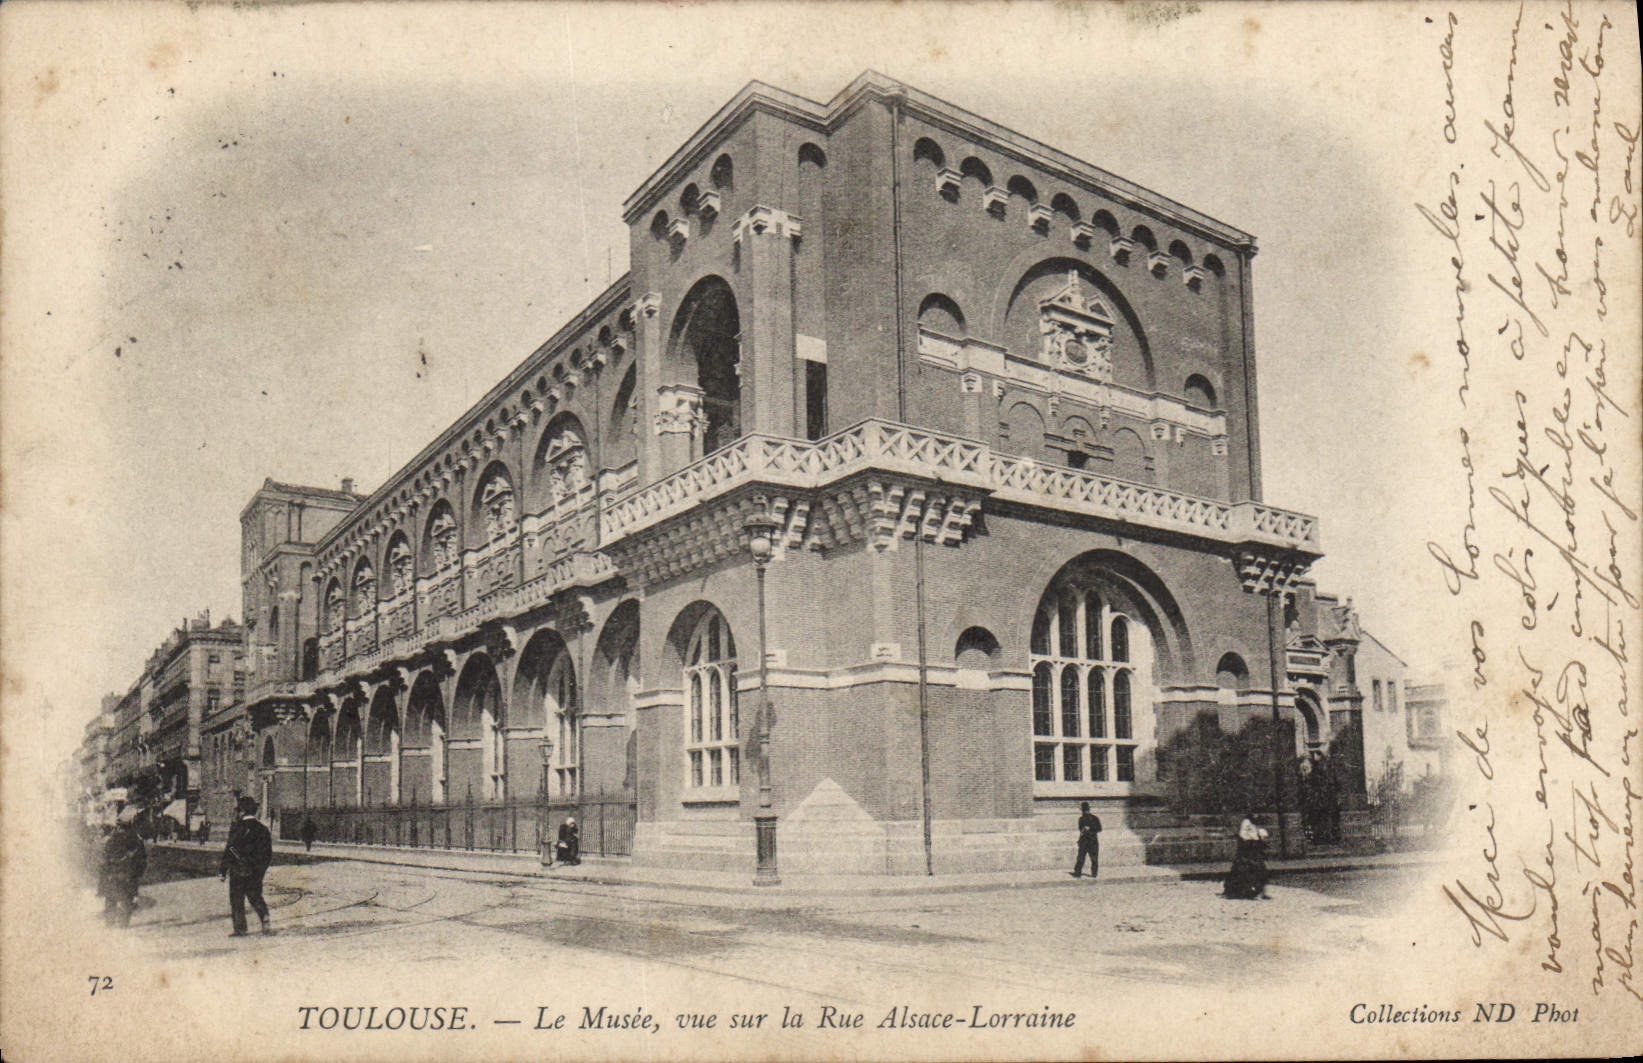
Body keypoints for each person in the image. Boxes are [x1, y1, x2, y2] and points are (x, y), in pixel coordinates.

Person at [221, 796, 274, 936]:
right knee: (255, 896)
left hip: (238, 869)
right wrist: (260, 870)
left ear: (242, 812)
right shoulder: (263, 829)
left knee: (237, 899)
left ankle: (240, 928)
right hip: (255, 870)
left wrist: (223, 870)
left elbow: (229, 849)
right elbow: (267, 854)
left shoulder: (238, 828)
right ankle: (265, 917)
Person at [99, 809, 147, 927]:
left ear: (118, 827)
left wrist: (105, 874)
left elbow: (104, 859)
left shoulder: (110, 841)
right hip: (127, 874)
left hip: (111, 874)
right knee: (126, 899)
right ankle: (123, 924)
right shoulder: (136, 841)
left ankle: (109, 924)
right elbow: (142, 859)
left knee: (110, 899)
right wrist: (138, 874)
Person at [1223, 810, 1271, 900]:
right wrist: (1254, 839)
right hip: (1247, 851)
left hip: (1254, 851)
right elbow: (1244, 835)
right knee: (1247, 871)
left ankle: (1262, 892)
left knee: (1260, 871)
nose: (1256, 816)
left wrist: (1260, 837)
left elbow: (1259, 836)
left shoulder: (1255, 824)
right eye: (1254, 814)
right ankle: (1243, 891)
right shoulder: (1246, 823)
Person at [1070, 801, 1102, 879]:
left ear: (1082, 810)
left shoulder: (1082, 819)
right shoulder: (1094, 818)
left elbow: (1081, 830)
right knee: (1093, 858)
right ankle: (1094, 873)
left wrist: (1089, 828)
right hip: (1092, 841)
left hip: (1086, 841)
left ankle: (1078, 873)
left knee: (1081, 857)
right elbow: (1099, 829)